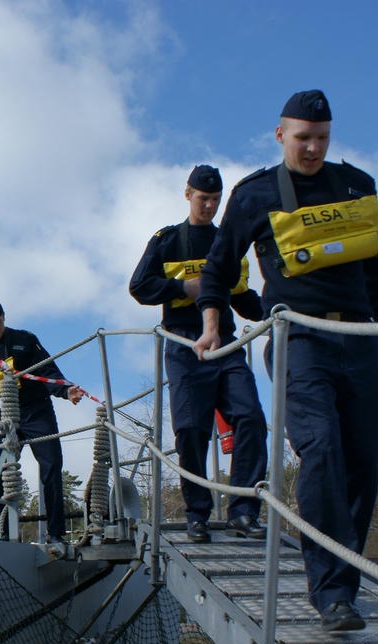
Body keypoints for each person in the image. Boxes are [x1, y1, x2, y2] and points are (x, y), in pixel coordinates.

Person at [193, 90, 378, 632]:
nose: (313, 149)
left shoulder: (356, 184)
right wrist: (212, 325)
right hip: (299, 340)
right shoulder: (255, 194)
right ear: (280, 135)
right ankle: (332, 595)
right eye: (303, 138)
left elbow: (376, 261)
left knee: (367, 459)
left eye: (322, 139)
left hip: (358, 336)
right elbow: (219, 267)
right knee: (322, 449)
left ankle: (344, 583)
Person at [129, 165, 268, 544]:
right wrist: (182, 287)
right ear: (188, 194)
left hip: (225, 343)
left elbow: (243, 298)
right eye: (203, 198)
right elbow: (139, 286)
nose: (209, 206)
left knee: (251, 418)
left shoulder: (227, 241)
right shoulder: (167, 240)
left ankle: (243, 510)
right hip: (183, 344)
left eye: (215, 200)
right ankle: (197, 515)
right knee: (191, 430)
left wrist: (277, 308)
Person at [0, 296, 85, 546]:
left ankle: (56, 534)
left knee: (51, 466)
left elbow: (49, 372)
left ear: (4, 318)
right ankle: (5, 533)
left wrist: (66, 391)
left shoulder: (25, 339)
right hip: (9, 417)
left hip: (38, 412)